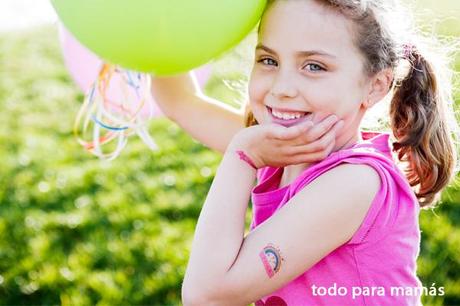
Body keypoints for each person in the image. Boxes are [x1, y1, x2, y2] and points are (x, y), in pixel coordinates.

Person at [151, 0, 459, 305]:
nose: (282, 88)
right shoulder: (280, 148)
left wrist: (242, 157)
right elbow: (180, 101)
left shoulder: (355, 183)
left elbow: (208, 295)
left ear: (375, 86)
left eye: (314, 66)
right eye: (269, 60)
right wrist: (158, 31)